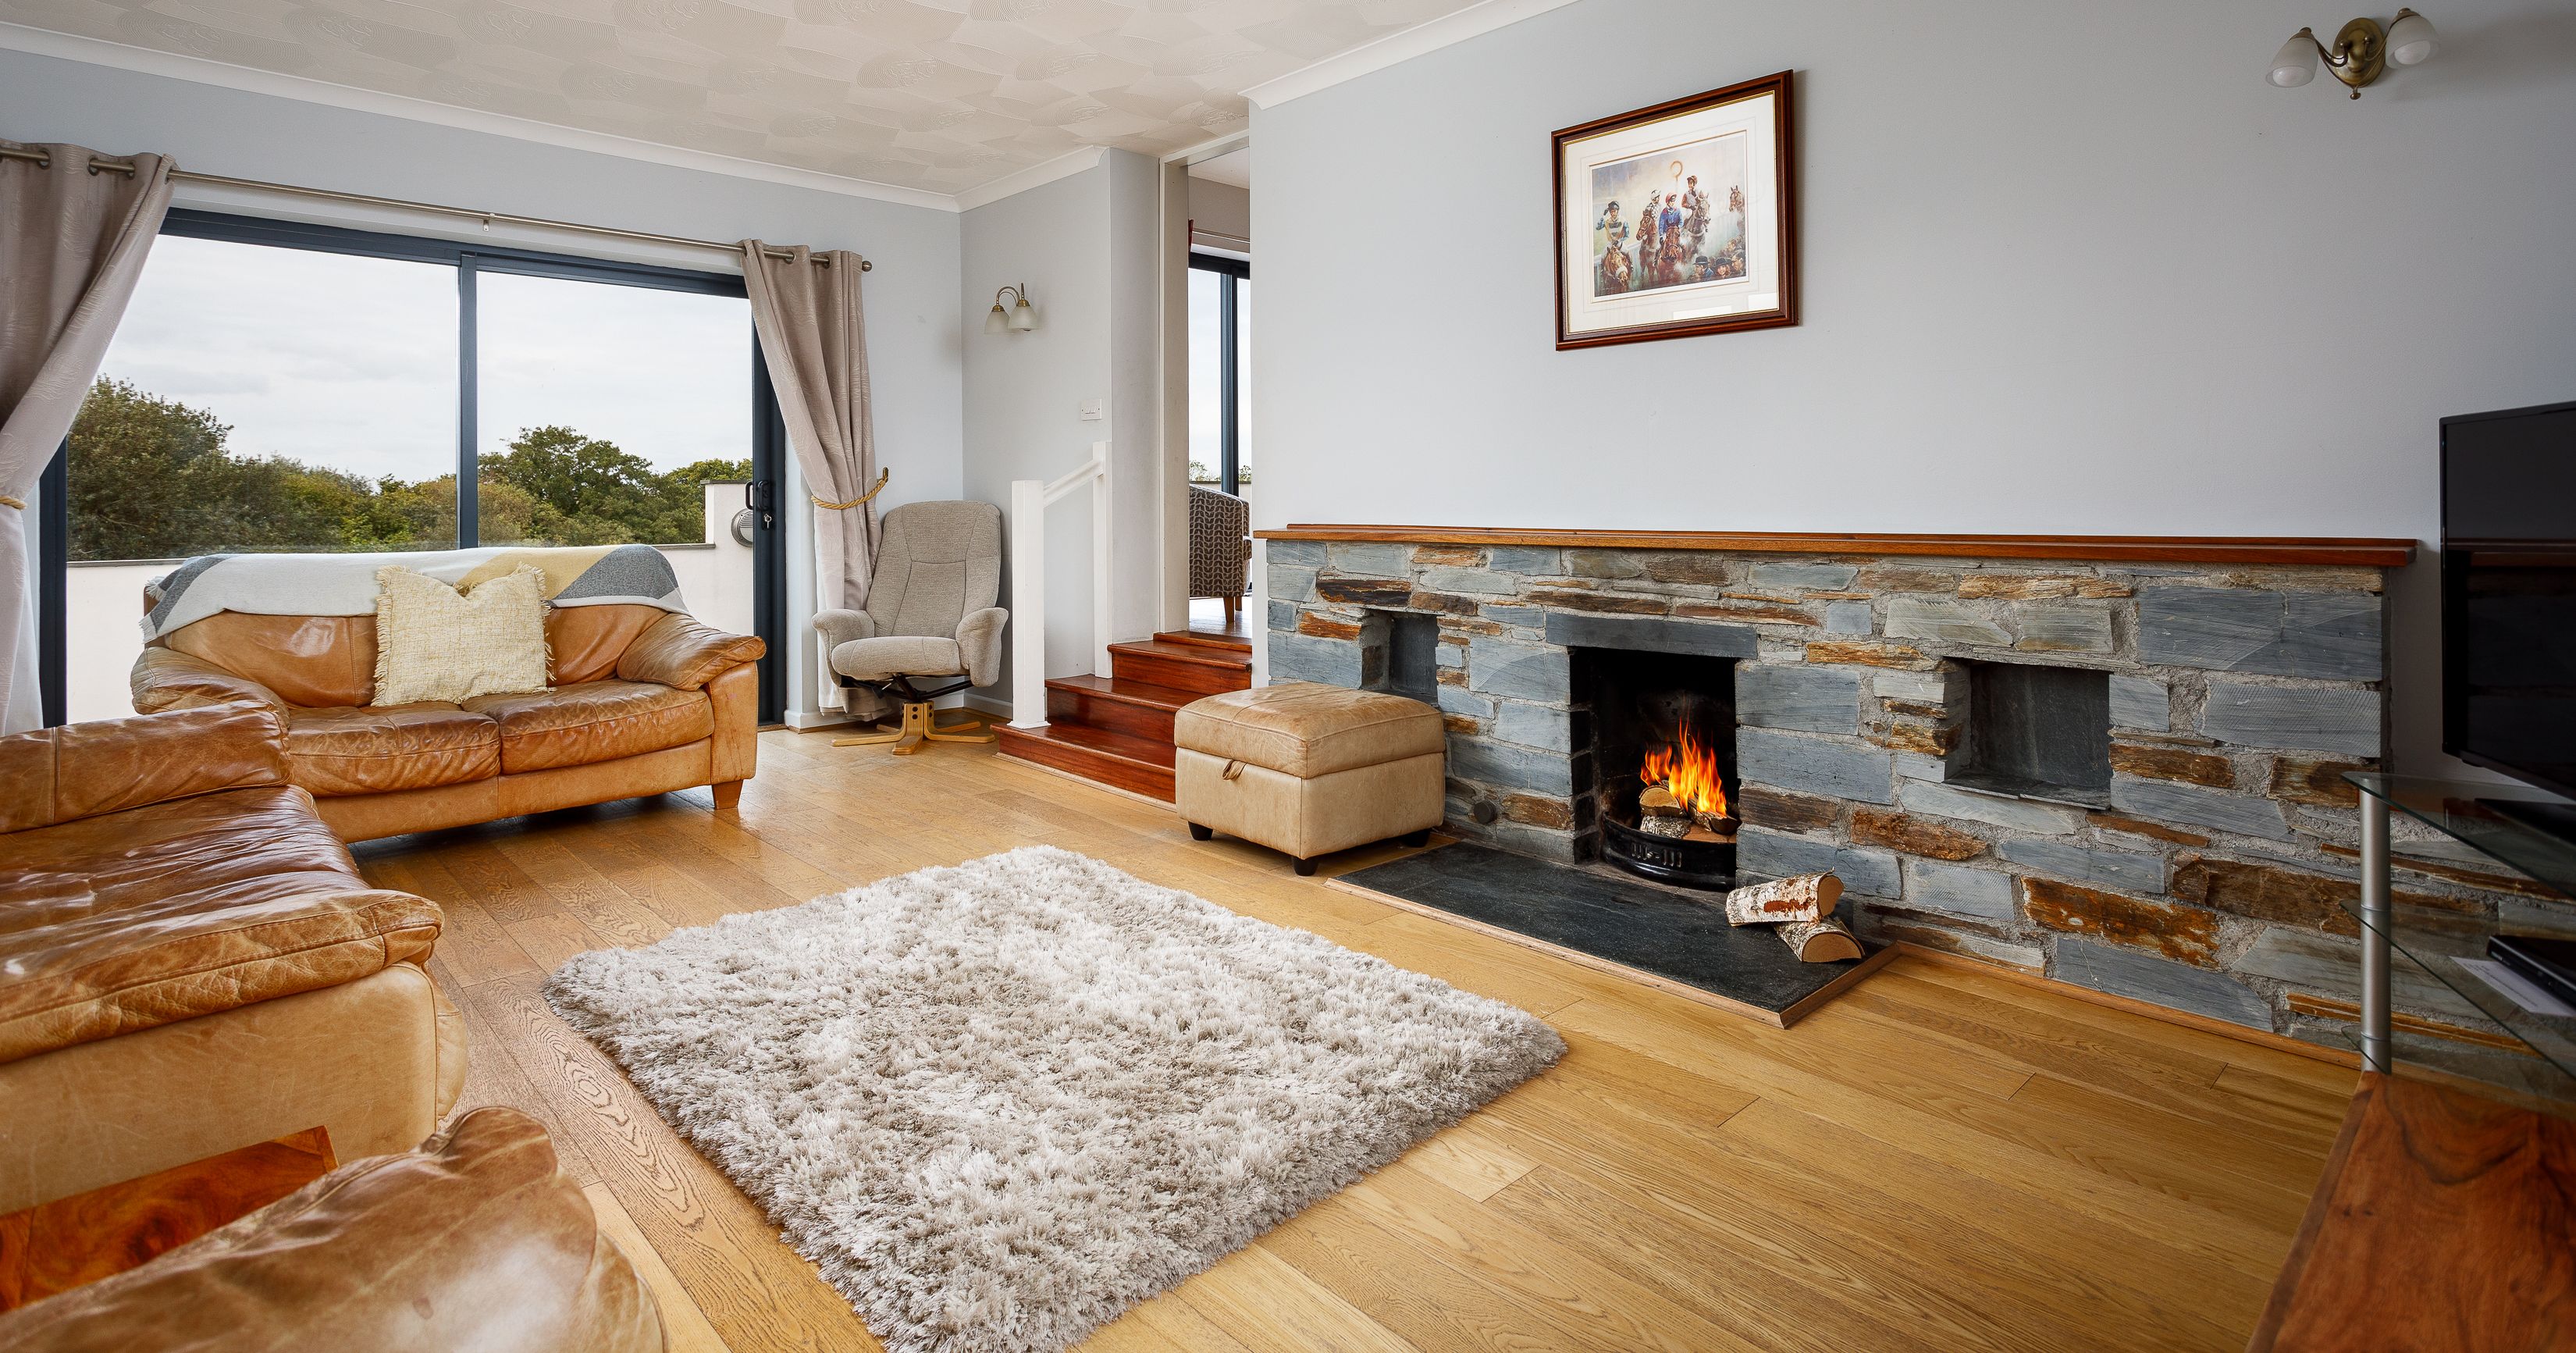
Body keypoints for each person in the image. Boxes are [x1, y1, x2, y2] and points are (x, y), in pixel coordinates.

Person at [1594, 200, 1629, 294]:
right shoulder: (1607, 221)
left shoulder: (1623, 220)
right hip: (1611, 243)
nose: (1613, 213)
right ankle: (1603, 270)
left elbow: (1627, 235)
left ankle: (1631, 266)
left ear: (1618, 211)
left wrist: (1619, 240)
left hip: (1619, 243)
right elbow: (1597, 227)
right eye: (1611, 211)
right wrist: (1603, 216)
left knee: (1627, 252)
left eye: (1614, 211)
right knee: (1603, 255)